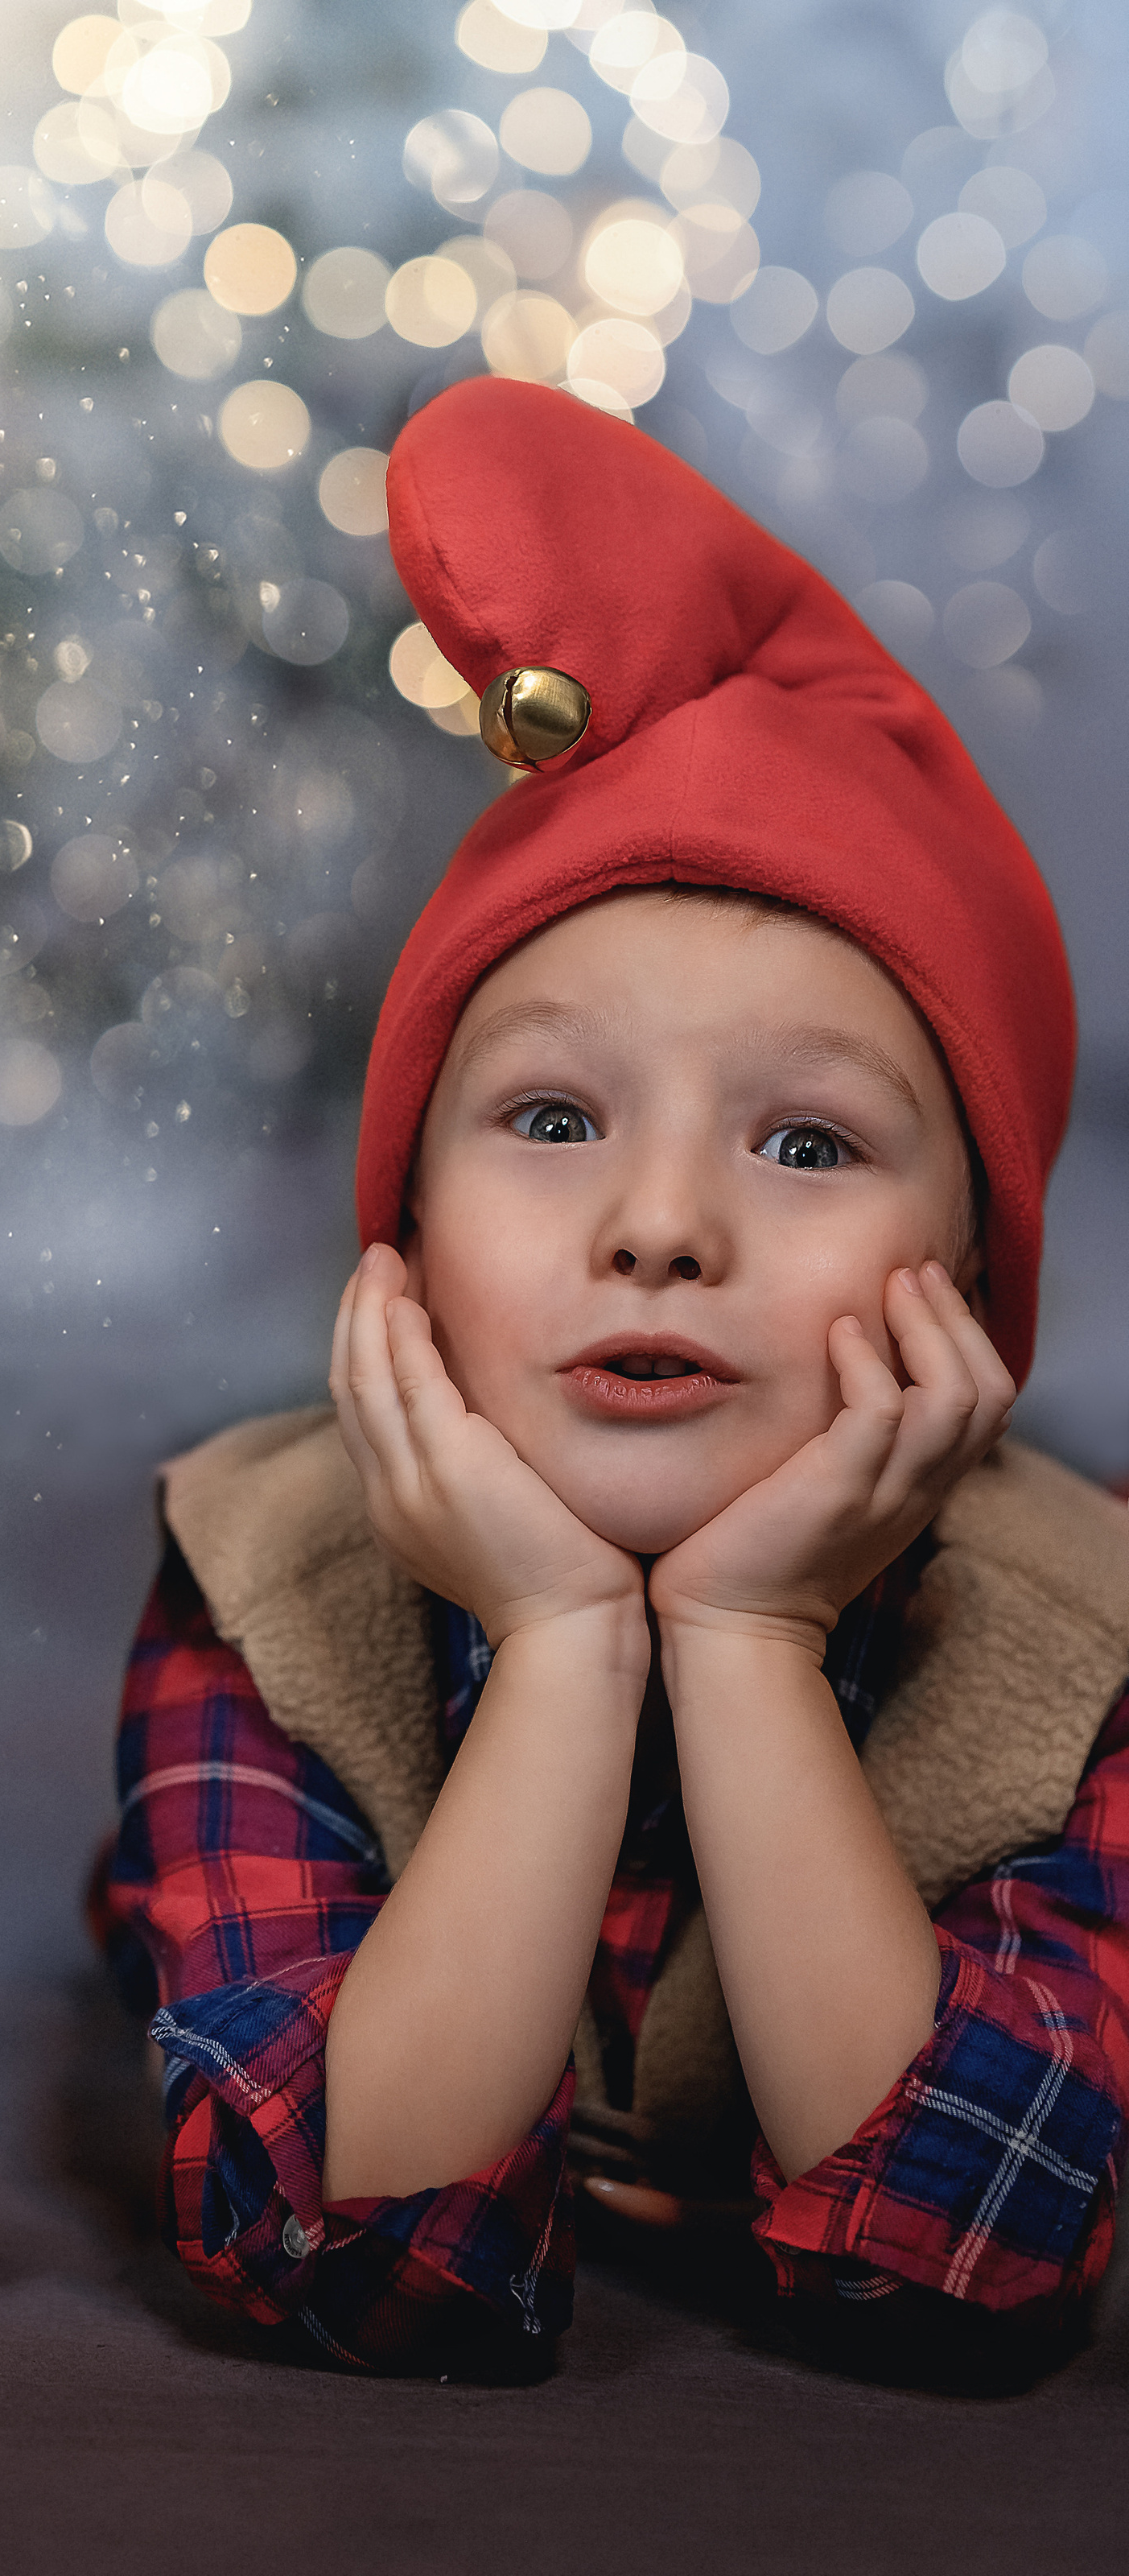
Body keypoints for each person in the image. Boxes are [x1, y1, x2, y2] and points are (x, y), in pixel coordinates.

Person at [95, 376, 1129, 2385]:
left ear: (971, 1291)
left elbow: (964, 2276)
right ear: (395, 1234)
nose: (659, 1227)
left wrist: (744, 1630)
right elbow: (336, 2247)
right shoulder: (259, 1576)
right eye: (552, 1116)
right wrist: (563, 1637)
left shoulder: (1073, 1635)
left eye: (805, 1145)